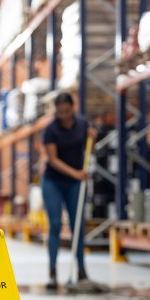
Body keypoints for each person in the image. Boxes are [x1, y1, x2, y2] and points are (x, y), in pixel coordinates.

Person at [40, 92, 96, 289]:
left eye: (66, 111)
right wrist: (75, 173)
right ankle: (52, 273)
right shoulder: (50, 130)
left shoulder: (82, 125)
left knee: (77, 226)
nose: (63, 115)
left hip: (75, 184)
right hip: (53, 182)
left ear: (73, 108)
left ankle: (81, 271)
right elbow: (53, 160)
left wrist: (92, 139)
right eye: (60, 111)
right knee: (55, 224)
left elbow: (89, 149)